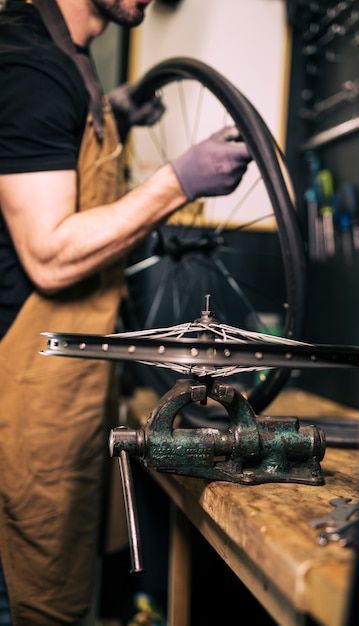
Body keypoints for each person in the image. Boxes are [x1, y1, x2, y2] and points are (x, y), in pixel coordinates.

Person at [0, 0, 253, 624]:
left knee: (56, 571)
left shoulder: (67, 58)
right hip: (21, 384)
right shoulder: (31, 66)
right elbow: (49, 255)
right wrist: (177, 183)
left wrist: (111, 109)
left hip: (62, 376)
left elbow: (52, 158)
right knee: (26, 589)